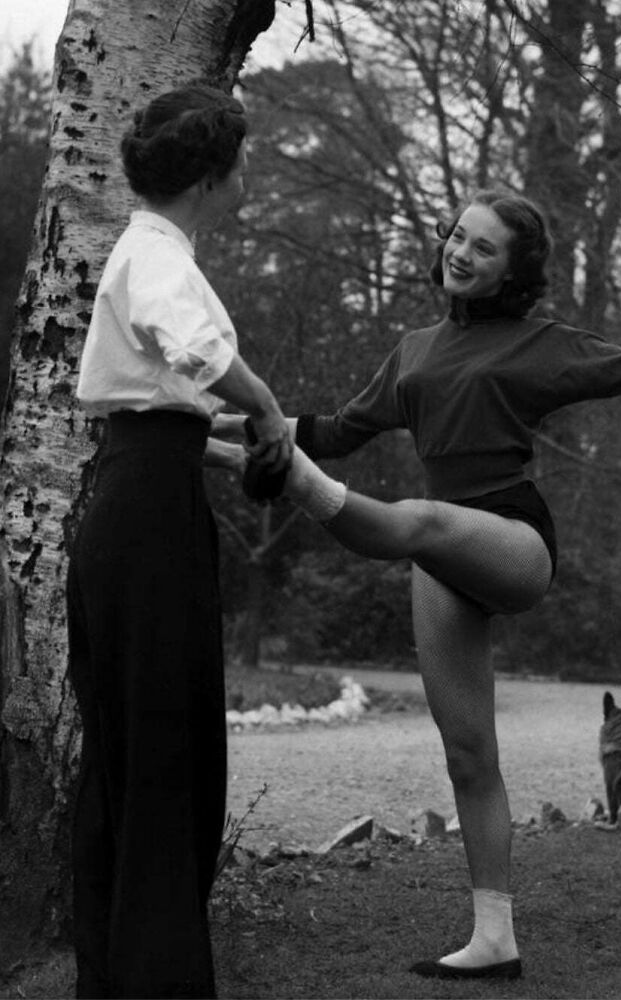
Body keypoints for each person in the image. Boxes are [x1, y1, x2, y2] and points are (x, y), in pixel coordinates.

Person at [218, 189, 621, 981]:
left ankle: (287, 483)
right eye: (457, 236)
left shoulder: (541, 345)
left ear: (512, 272)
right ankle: (494, 941)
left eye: (483, 247)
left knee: (419, 521)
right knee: (468, 754)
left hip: (511, 538)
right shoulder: (412, 350)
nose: (460, 252)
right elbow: (334, 431)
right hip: (439, 555)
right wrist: (221, 423)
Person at [66, 82, 290, 999]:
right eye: (241, 161)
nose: (246, 174)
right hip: (145, 527)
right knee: (159, 756)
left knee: (140, 754)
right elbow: (191, 348)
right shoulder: (156, 253)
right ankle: (155, 982)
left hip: (145, 497)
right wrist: (263, 404)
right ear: (208, 177)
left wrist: (232, 446)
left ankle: (121, 975)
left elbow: (156, 410)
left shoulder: (153, 249)